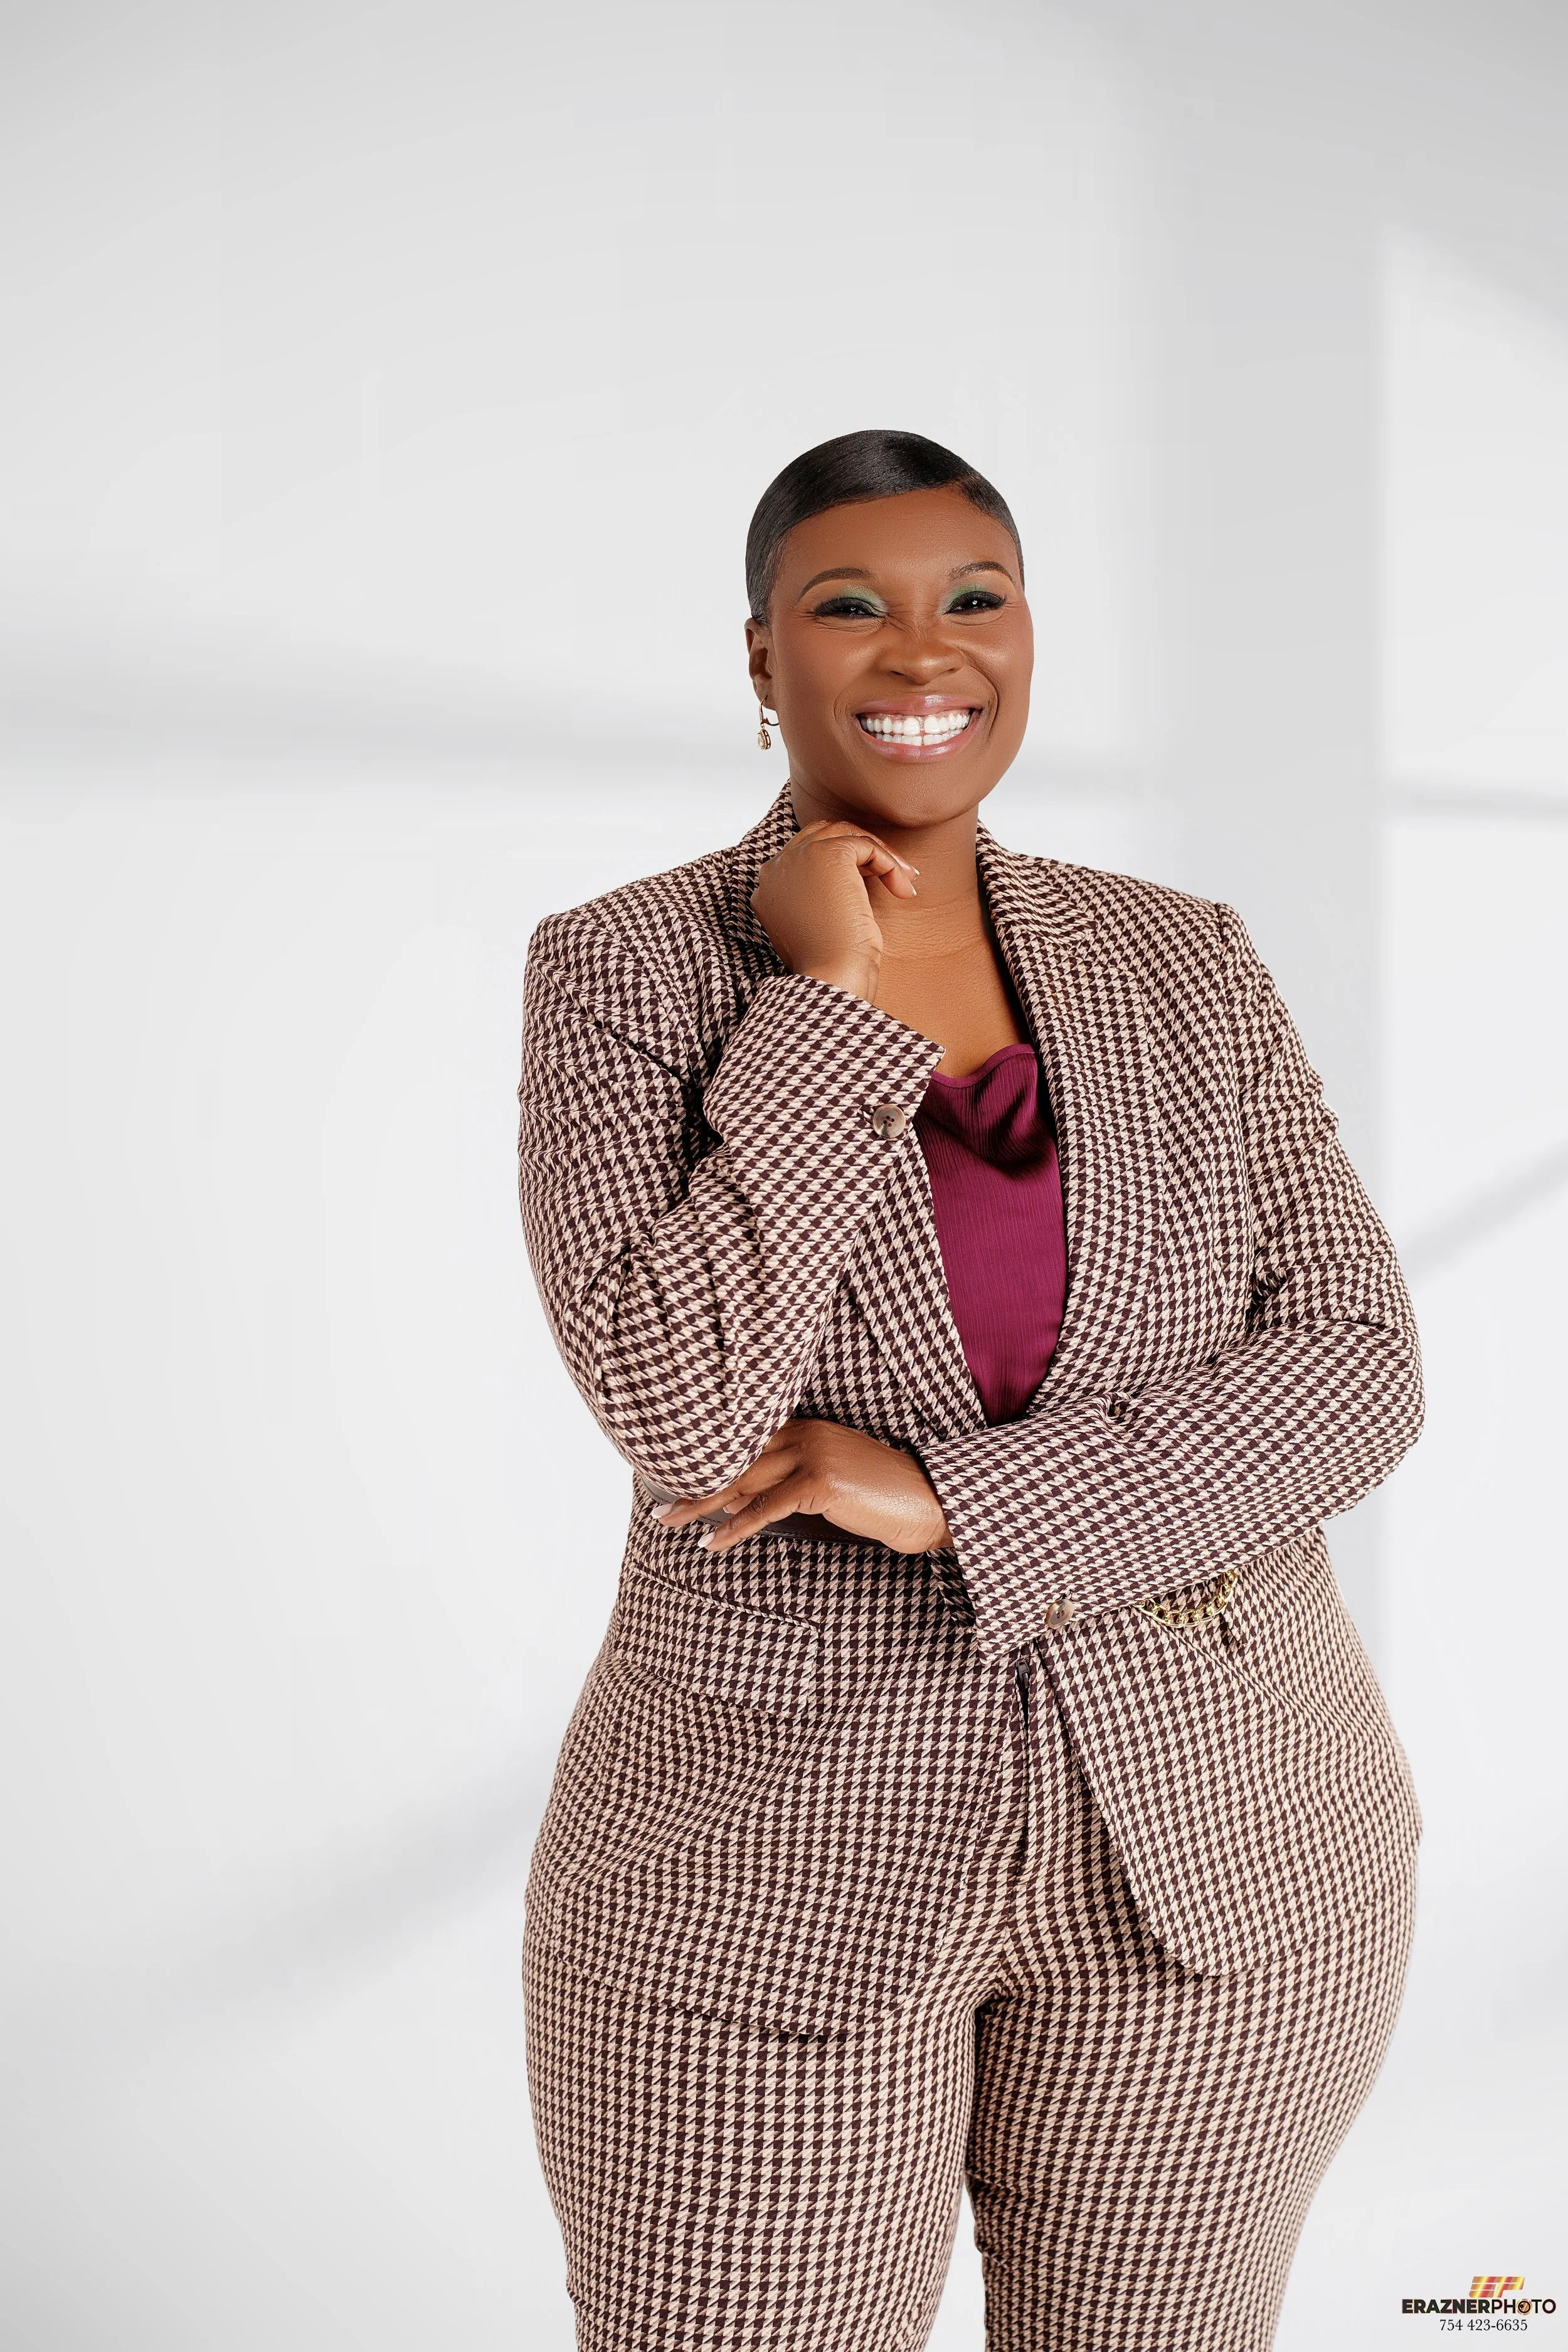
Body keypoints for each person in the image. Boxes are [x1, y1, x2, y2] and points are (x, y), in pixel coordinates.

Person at [515, 429, 1422, 2352]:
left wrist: (957, 1494)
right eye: (848, 605)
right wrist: (831, 1003)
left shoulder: (1176, 959)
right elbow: (677, 1401)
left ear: (1027, 636)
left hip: (1223, 1854)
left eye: (972, 600)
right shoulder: (618, 975)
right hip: (763, 1879)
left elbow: (1354, 1364)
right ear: (760, 659)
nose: (922, 654)